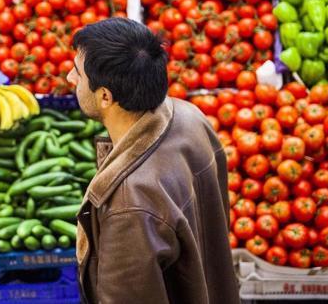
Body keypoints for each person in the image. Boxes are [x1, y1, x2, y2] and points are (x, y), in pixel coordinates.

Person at [67, 18, 239, 304]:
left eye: (78, 73)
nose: (70, 79)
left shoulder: (128, 204)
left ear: (106, 96)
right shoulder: (191, 117)